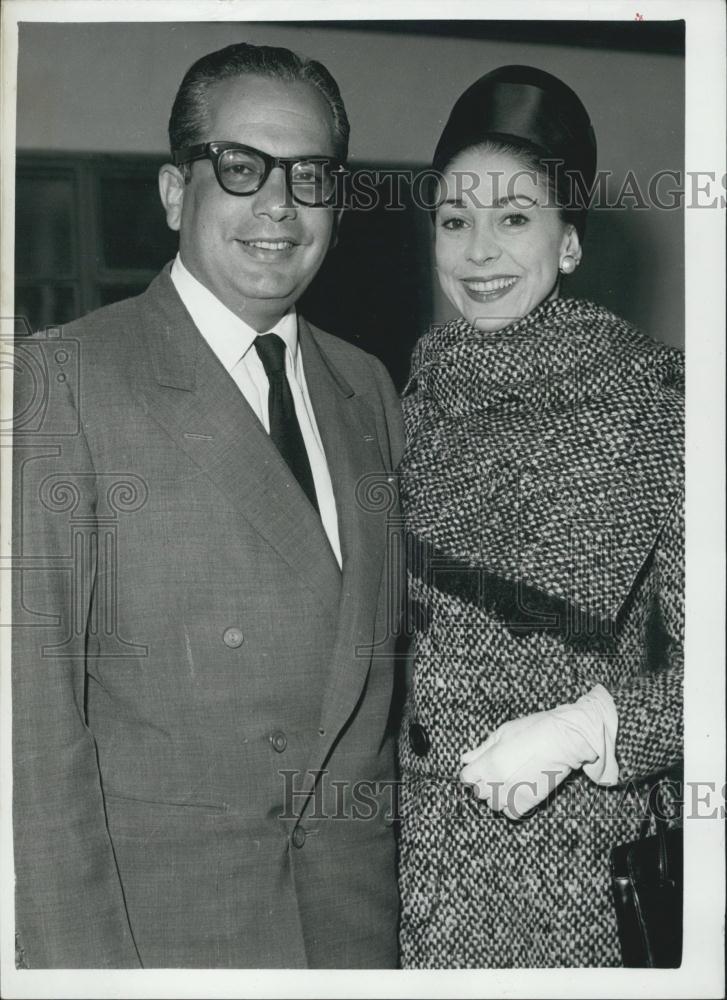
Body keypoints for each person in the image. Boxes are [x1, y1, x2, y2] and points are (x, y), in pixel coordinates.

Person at [12, 42, 404, 969]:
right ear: (175, 195)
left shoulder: (368, 387)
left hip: (354, 927)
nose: (278, 205)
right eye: (240, 167)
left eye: (310, 176)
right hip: (173, 935)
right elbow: (31, 733)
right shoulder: (62, 380)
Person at [397, 65, 684, 967]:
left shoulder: (659, 405)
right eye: (455, 220)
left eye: (514, 218)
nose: (478, 252)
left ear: (568, 242)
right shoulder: (414, 389)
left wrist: (588, 730)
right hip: (406, 862)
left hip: (569, 879)